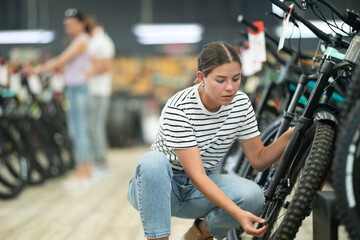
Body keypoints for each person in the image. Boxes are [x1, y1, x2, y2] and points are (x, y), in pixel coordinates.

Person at [127, 42, 294, 240]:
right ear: (201, 78)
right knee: (152, 161)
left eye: (236, 78)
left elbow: (258, 159)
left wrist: (289, 137)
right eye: (220, 80)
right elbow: (197, 175)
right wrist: (237, 213)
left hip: (198, 192)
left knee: (254, 196)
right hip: (159, 189)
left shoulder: (240, 104)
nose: (230, 87)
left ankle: (198, 236)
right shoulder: (179, 108)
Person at [36, 8, 93, 188]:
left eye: (70, 25)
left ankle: (82, 172)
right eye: (65, 25)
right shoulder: (78, 40)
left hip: (78, 89)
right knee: (78, 130)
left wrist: (36, 70)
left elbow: (61, 59)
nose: (67, 28)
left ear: (81, 24)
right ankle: (85, 171)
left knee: (78, 131)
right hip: (75, 89)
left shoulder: (82, 40)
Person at [86, 22, 115, 177]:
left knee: (95, 127)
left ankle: (101, 164)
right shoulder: (98, 41)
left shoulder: (100, 41)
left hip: (99, 91)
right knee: (93, 127)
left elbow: (106, 66)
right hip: (96, 91)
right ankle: (98, 163)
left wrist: (86, 73)